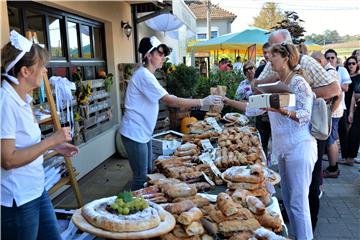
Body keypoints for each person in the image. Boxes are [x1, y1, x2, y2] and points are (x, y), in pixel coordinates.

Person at [225, 43, 317, 239]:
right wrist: (227, 101)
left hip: (300, 147)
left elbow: (305, 115)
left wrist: (279, 109)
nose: (268, 59)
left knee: (299, 202)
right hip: (283, 149)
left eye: (272, 56)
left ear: (285, 58)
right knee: (290, 201)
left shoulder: (299, 83)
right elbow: (252, 108)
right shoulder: (273, 85)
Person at [253, 29, 341, 231]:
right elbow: (258, 88)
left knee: (304, 197)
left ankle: (309, 231)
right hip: (285, 143)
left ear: (285, 51)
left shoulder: (306, 66)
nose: (267, 56)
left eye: (272, 51)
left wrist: (294, 98)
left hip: (305, 138)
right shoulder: (276, 72)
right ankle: (299, 230)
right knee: (291, 198)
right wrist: (267, 88)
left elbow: (333, 90)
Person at [1, 30, 79, 240]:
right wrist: (52, 140)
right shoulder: (5, 102)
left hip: (36, 189)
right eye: (41, 66)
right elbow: (7, 159)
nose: (45, 70)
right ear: (25, 71)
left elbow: (30, 143)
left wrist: (55, 147)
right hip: (19, 199)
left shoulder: (23, 98)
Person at [119, 36, 222, 190]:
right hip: (134, 133)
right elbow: (171, 101)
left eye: (163, 54)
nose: (163, 57)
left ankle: (145, 207)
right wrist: (202, 102)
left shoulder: (148, 75)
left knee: (147, 173)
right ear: (148, 55)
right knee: (141, 178)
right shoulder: (144, 76)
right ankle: (136, 211)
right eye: (159, 54)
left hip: (142, 133)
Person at [322, 49, 351, 177]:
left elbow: (344, 88)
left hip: (336, 110)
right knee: (330, 138)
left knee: (331, 139)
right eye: (327, 58)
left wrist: (333, 85)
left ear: (336, 58)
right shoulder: (327, 71)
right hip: (332, 109)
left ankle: (334, 168)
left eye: (332, 58)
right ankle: (332, 166)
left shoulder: (340, 70)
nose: (330, 60)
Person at [338, 56, 360, 165]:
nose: (351, 65)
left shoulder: (359, 77)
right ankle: (346, 156)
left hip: (355, 107)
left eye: (353, 63)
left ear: (357, 65)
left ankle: (351, 156)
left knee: (354, 132)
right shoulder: (344, 75)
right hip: (343, 105)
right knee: (344, 131)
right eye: (349, 63)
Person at [254, 42, 272, 158]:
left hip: (274, 108)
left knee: (274, 140)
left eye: (268, 52)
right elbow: (254, 87)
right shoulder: (260, 68)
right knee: (262, 139)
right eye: (264, 52)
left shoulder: (278, 69)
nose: (266, 55)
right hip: (261, 109)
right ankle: (264, 162)